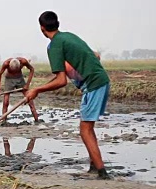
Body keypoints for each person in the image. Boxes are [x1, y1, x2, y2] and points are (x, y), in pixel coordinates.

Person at [24, 11, 111, 179]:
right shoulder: (68, 36)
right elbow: (96, 55)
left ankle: (102, 173)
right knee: (88, 127)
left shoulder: (54, 45)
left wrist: (36, 90)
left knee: (85, 129)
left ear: (42, 28)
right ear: (57, 24)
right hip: (99, 80)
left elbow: (61, 81)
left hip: (94, 84)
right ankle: (94, 166)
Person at [0, 57, 39, 123]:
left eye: (16, 69)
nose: (14, 71)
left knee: (29, 99)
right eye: (12, 70)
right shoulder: (6, 63)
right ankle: (4, 121)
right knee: (6, 102)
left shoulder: (24, 61)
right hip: (9, 80)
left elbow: (32, 69)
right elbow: (0, 74)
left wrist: (27, 84)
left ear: (20, 66)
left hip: (20, 79)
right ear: (9, 66)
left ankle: (36, 119)